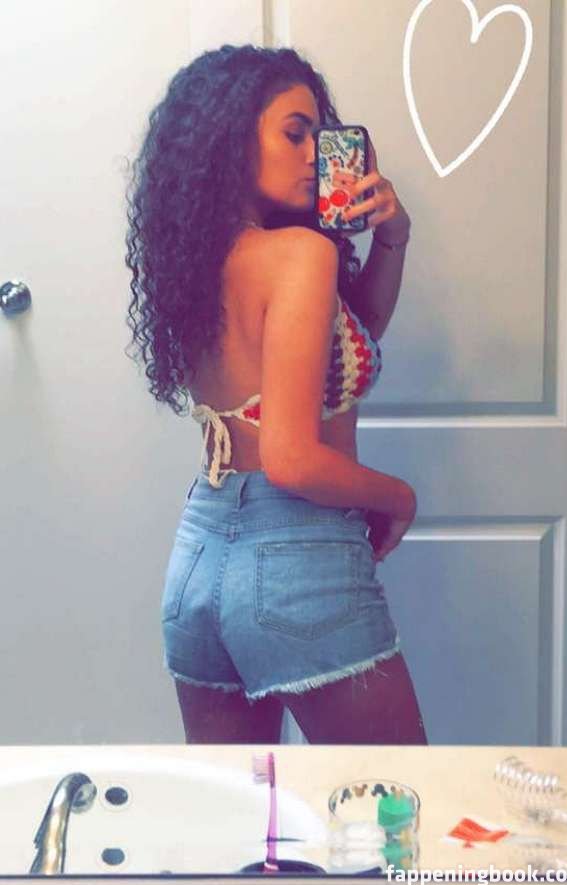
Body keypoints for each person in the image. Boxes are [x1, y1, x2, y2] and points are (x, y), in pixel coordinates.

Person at [125, 44, 427, 745]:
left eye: (321, 136)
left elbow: (347, 340)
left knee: (239, 812)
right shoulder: (300, 256)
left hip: (198, 562)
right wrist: (400, 497)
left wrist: (394, 236)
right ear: (229, 139)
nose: (315, 153)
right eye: (295, 133)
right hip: (297, 557)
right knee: (397, 805)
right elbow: (291, 460)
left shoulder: (195, 265)